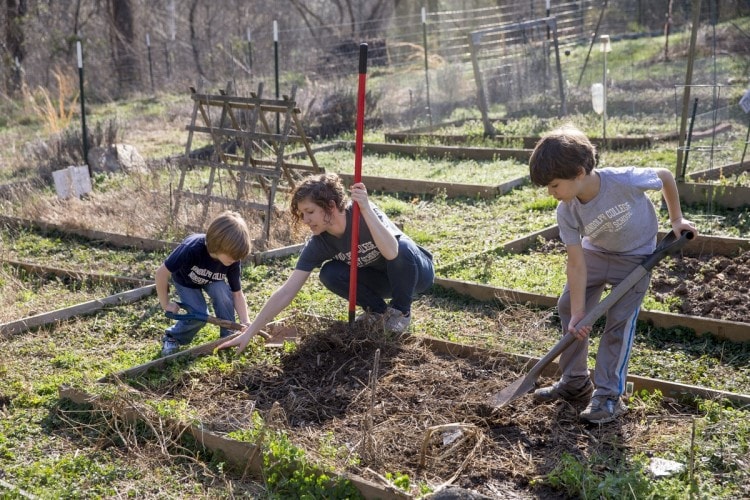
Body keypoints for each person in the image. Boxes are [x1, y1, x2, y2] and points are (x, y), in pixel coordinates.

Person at [527, 124, 697, 424]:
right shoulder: (567, 210)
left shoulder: (623, 180)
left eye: (553, 185)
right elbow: (576, 263)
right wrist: (580, 312)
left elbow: (665, 176)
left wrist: (677, 218)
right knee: (568, 307)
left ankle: (607, 396)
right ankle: (574, 381)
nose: (550, 193)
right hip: (595, 254)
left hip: (636, 258)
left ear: (579, 172)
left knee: (618, 323)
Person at [217, 173, 435, 354]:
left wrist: (367, 209)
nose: (305, 220)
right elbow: (287, 291)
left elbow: (392, 252)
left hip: (415, 274)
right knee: (329, 273)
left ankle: (400, 313)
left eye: (310, 212)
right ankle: (378, 312)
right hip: (381, 281)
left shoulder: (362, 212)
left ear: (330, 206)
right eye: (302, 214)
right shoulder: (319, 243)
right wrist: (251, 330)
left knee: (402, 247)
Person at [156, 210, 252, 356]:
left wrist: (245, 322)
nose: (235, 260)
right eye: (232, 257)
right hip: (186, 281)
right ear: (219, 245)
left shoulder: (232, 260)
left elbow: (237, 294)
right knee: (199, 315)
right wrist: (166, 304)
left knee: (222, 293)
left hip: (212, 279)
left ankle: (228, 335)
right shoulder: (191, 248)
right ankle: (173, 337)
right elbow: (161, 273)